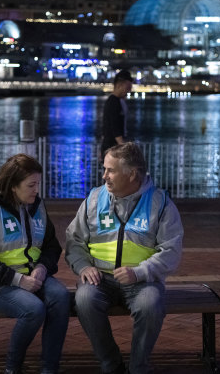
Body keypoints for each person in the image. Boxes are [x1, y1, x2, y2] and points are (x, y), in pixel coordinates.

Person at [65, 142, 184, 374]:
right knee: (84, 300)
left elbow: (171, 251)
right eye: (104, 169)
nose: (104, 176)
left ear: (131, 174)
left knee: (150, 305)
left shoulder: (161, 204)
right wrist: (83, 267)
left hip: (143, 281)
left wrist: (139, 272)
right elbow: (74, 240)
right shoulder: (93, 199)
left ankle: (138, 367)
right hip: (100, 279)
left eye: (111, 170)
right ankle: (111, 364)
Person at [0, 154, 70, 374]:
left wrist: (43, 268)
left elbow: (52, 247)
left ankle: (49, 368)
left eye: (38, 184)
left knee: (61, 297)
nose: (36, 190)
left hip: (33, 277)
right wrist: (19, 280)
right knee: (34, 310)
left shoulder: (37, 206)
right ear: (13, 185)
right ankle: (12, 368)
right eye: (31, 185)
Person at [101, 70, 134, 157]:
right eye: (127, 88)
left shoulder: (117, 101)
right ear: (119, 86)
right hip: (113, 146)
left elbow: (106, 126)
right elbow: (114, 126)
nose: (129, 91)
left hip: (110, 145)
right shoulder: (113, 102)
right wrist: (123, 146)